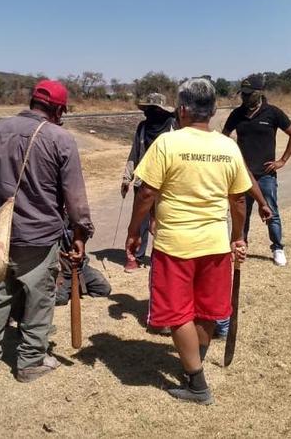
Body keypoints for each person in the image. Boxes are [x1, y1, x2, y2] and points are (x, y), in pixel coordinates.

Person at [126, 78, 254, 405]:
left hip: (175, 245)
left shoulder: (168, 144)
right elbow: (238, 200)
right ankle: (193, 362)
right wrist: (237, 237)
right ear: (212, 110)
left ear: (182, 109)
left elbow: (147, 192)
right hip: (215, 244)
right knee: (208, 310)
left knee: (177, 312)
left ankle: (196, 382)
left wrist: (133, 232)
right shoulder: (228, 147)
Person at [0, 80, 94, 382]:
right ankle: (30, 361)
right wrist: (80, 234)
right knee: (40, 299)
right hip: (39, 238)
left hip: (0, 234)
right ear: (57, 109)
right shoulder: (60, 138)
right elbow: (75, 197)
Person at [222, 74, 291, 267]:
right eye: (243, 94)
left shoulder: (272, 113)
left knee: (271, 211)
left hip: (265, 175)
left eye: (249, 94)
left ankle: (277, 248)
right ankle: (242, 245)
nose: (245, 97)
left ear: (259, 93)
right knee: (241, 212)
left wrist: (282, 160)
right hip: (242, 174)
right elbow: (224, 137)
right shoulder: (237, 114)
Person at [120, 93, 177, 273]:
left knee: (165, 220)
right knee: (141, 220)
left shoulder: (174, 127)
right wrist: (126, 178)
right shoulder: (143, 127)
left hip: (168, 184)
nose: (149, 113)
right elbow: (134, 153)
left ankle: (163, 257)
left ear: (161, 110)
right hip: (143, 181)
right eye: (147, 109)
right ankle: (135, 256)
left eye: (153, 109)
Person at [55, 225, 111, 306]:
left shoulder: (77, 219)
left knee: (103, 289)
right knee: (60, 299)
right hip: (61, 271)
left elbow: (87, 227)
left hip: (80, 268)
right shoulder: (52, 221)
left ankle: (76, 287)